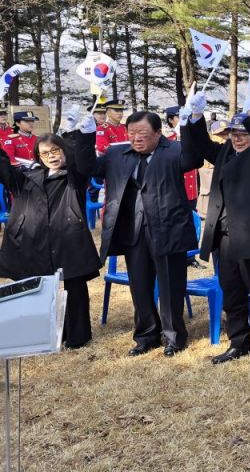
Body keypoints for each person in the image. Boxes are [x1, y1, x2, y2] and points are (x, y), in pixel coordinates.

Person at [77, 109, 198, 357]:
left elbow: (193, 159)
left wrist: (189, 124)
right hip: (133, 230)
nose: (136, 138)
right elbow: (87, 166)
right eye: (131, 133)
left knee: (171, 286)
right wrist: (84, 135)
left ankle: (174, 337)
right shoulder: (117, 154)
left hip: (168, 230)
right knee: (140, 286)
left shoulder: (174, 151)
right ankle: (146, 335)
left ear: (158, 132)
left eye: (142, 133)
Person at [181, 97, 250, 368]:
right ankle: (239, 341)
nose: (237, 139)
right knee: (232, 292)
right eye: (234, 134)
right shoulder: (226, 151)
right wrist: (196, 117)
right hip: (224, 236)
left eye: (243, 134)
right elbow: (202, 145)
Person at [0, 121, 101, 349]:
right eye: (45, 153)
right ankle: (41, 333)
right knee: (36, 288)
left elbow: (81, 162)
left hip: (68, 240)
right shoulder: (27, 178)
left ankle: (77, 336)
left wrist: (75, 134)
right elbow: (3, 168)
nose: (51, 156)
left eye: (56, 150)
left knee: (75, 286)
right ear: (38, 156)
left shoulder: (73, 177)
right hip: (34, 241)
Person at [165, 106, 200, 211]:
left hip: (192, 189)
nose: (183, 120)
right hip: (174, 190)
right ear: (170, 120)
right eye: (179, 117)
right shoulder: (167, 142)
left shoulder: (194, 139)